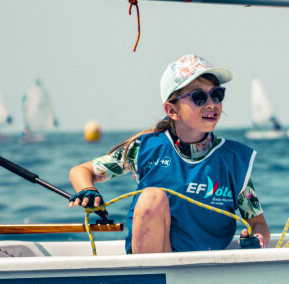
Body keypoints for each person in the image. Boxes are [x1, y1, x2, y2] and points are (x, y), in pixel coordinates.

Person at [68, 54, 270, 254]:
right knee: (151, 197)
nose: (211, 104)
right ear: (172, 110)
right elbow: (81, 171)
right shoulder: (143, 149)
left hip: (211, 266)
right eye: (199, 97)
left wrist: (258, 240)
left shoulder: (234, 160)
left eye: (216, 94)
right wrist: (88, 190)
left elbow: (259, 224)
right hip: (155, 265)